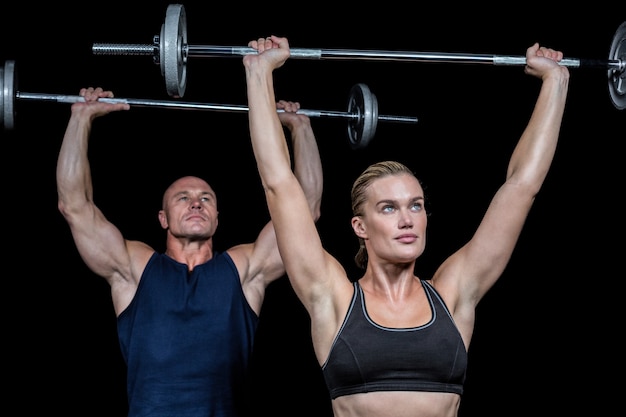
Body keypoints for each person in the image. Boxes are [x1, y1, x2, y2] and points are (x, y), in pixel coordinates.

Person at [244, 36, 569, 417]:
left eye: (416, 205)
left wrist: (556, 82)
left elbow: (521, 187)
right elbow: (279, 184)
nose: (407, 219)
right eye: (388, 208)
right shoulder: (332, 297)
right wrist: (259, 72)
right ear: (360, 226)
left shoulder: (453, 293)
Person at [56, 88, 323, 417]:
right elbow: (74, 206)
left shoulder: (243, 270)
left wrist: (302, 128)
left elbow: (305, 211)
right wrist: (80, 119)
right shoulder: (135, 269)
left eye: (206, 198)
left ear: (216, 218)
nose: (196, 202)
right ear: (163, 218)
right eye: (183, 197)